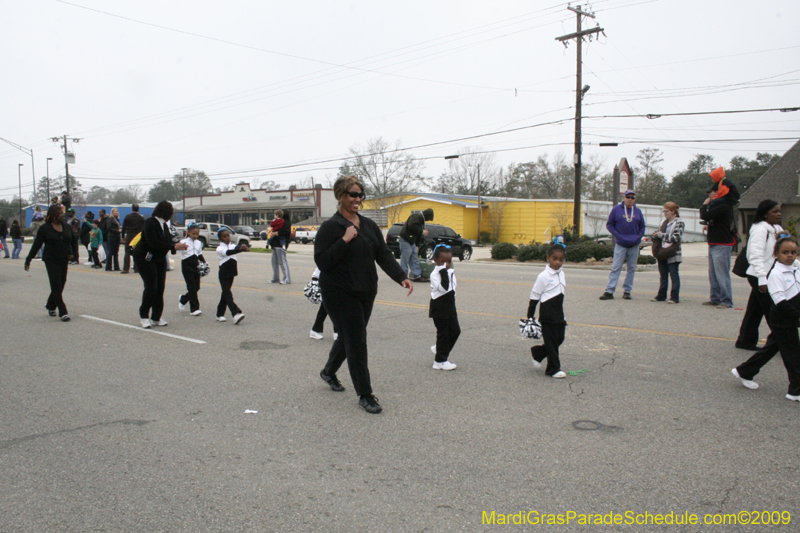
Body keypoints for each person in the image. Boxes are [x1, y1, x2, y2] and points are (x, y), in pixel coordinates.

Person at [315, 176, 413, 414]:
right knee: (357, 340)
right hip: (339, 292)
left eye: (360, 195)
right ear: (341, 195)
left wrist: (401, 275)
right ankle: (365, 395)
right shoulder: (331, 227)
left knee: (349, 336)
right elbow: (323, 261)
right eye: (353, 195)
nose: (358, 199)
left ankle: (328, 372)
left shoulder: (368, 226)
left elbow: (383, 255)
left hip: (366, 290)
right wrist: (345, 240)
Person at [732, 236, 800, 402]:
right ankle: (795, 391)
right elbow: (779, 300)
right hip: (782, 319)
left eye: (793, 252)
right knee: (793, 355)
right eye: (785, 252)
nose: (789, 256)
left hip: (790, 317)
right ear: (776, 254)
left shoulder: (796, 269)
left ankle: (745, 371)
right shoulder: (776, 273)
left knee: (771, 348)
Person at [735, 200, 786, 350]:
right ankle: (782, 342)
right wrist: (762, 279)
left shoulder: (776, 228)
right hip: (759, 275)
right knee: (773, 310)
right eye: (775, 212)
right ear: (765, 214)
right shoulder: (760, 229)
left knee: (755, 310)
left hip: (769, 274)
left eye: (779, 212)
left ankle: (745, 341)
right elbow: (755, 256)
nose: (779, 214)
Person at [132, 200, 189, 329]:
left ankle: (156, 317)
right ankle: (144, 316)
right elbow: (154, 243)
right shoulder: (150, 222)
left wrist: (178, 247)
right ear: (166, 212)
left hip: (159, 258)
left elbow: (167, 242)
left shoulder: (164, 225)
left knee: (160, 288)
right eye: (170, 213)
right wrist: (172, 245)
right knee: (151, 287)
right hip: (145, 258)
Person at [24, 204, 79, 321]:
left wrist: (74, 254)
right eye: (60, 213)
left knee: (62, 282)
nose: (62, 215)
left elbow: (74, 242)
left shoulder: (67, 227)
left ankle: (50, 305)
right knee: (55, 284)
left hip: (64, 259)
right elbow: (37, 244)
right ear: (53, 215)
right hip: (50, 259)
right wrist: (29, 258)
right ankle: (63, 311)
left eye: (62, 213)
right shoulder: (45, 228)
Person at [699, 167, 738, 309]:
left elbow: (704, 215)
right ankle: (715, 298)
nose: (710, 194)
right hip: (714, 242)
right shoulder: (718, 205)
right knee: (713, 274)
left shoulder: (724, 205)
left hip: (723, 243)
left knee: (722, 274)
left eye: (712, 191)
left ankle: (726, 301)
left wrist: (704, 205)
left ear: (719, 191)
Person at [527, 243, 568, 378]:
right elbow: (535, 295)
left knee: (559, 338)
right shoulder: (543, 276)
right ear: (548, 258)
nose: (557, 262)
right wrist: (530, 316)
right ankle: (553, 369)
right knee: (551, 342)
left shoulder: (561, 274)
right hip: (547, 314)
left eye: (561, 259)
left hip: (559, 313)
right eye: (554, 259)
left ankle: (538, 352)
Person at [599, 190, 645, 300]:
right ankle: (609, 291)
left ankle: (627, 291)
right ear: (624, 198)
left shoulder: (638, 211)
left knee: (631, 268)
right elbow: (610, 225)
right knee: (616, 267)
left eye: (632, 197)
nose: (630, 199)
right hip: (621, 244)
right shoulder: (616, 210)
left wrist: (638, 237)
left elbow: (642, 226)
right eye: (628, 197)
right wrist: (618, 236)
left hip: (634, 244)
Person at [429, 244, 459, 371]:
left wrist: (447, 271)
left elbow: (453, 289)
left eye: (449, 261)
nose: (446, 264)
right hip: (439, 306)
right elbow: (444, 288)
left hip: (450, 305)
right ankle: (439, 361)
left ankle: (439, 347)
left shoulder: (450, 272)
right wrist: (442, 271)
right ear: (435, 260)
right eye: (443, 261)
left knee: (456, 331)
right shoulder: (435, 274)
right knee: (443, 333)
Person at [650, 202, 684, 303]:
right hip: (662, 252)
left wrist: (661, 235)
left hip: (673, 252)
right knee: (663, 275)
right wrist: (655, 235)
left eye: (667, 211)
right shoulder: (663, 223)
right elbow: (658, 235)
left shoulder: (679, 222)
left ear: (673, 212)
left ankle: (674, 297)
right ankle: (661, 295)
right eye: (663, 211)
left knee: (674, 275)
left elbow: (676, 238)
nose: (665, 213)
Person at [215, 228, 249, 324]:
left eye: (228, 236)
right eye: (224, 236)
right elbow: (228, 253)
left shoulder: (232, 245)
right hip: (223, 274)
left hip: (231, 273)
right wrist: (240, 250)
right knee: (228, 294)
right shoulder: (220, 249)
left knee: (225, 294)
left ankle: (219, 314)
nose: (227, 238)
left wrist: (244, 248)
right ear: (220, 238)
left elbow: (237, 248)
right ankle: (236, 313)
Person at [399, 208, 434, 282]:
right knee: (405, 258)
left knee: (414, 258)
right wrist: (422, 231)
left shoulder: (421, 220)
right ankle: (403, 276)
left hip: (412, 242)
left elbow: (418, 234)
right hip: (405, 239)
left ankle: (417, 275)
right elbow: (411, 225)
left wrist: (417, 245)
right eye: (429, 218)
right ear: (427, 215)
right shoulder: (417, 215)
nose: (428, 220)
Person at [179, 224, 206, 316]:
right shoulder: (184, 242)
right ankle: (194, 309)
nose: (195, 236)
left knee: (197, 287)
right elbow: (174, 251)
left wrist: (204, 264)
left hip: (196, 265)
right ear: (188, 233)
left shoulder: (198, 243)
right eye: (193, 234)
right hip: (186, 266)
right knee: (191, 287)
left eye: (197, 234)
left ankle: (183, 299)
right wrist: (177, 245)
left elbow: (199, 254)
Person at [309, 267, 337, 340]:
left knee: (325, 308)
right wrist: (315, 279)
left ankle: (315, 330)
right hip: (327, 282)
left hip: (333, 281)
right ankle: (337, 331)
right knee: (335, 307)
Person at [268, 209, 291, 284]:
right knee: (274, 262)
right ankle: (275, 278)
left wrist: (274, 233)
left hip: (281, 244)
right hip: (275, 244)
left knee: (282, 261)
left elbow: (284, 232)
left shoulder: (286, 223)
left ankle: (287, 279)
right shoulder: (278, 222)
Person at [121, 204, 145, 274]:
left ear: (132, 209)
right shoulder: (141, 218)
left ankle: (126, 268)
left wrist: (123, 236)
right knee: (137, 252)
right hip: (137, 236)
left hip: (129, 235)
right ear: (138, 209)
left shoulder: (128, 217)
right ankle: (136, 268)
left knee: (127, 252)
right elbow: (143, 229)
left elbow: (124, 227)